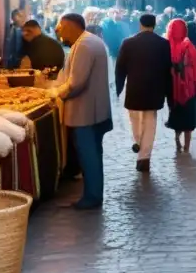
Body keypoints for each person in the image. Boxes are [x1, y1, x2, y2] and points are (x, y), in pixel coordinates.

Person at [53, 13, 113, 209]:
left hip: (85, 112)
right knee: (93, 154)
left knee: (89, 156)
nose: (59, 32)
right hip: (94, 111)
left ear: (70, 26)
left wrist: (55, 94)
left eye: (61, 27)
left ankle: (92, 197)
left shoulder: (85, 45)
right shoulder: (89, 41)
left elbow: (76, 83)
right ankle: (93, 194)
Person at [114, 14, 172, 173]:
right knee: (150, 121)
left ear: (140, 24)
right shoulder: (163, 44)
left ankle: (138, 140)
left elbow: (120, 68)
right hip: (154, 89)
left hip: (134, 88)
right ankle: (144, 156)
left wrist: (118, 88)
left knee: (134, 118)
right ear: (154, 25)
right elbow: (168, 70)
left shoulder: (128, 43)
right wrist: (169, 93)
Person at [166, 18, 196, 154]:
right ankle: (187, 146)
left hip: (173, 88)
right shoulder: (189, 46)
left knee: (176, 114)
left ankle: (176, 138)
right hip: (189, 89)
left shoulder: (167, 46)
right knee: (188, 118)